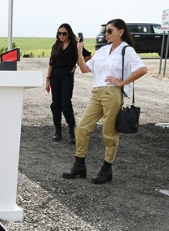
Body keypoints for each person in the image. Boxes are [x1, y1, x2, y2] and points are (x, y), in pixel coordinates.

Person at [62, 18, 147, 184]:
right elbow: (85, 69)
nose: (106, 34)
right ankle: (79, 165)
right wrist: (79, 53)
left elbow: (142, 69)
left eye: (110, 31)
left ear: (121, 31)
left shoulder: (126, 50)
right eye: (105, 31)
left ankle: (107, 169)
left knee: (109, 133)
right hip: (97, 92)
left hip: (112, 93)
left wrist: (122, 82)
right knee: (82, 128)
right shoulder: (102, 50)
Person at [45, 23, 91, 144]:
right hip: (55, 77)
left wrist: (76, 65)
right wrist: (47, 79)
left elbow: (88, 56)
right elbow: (51, 63)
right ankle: (58, 131)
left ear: (69, 33)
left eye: (64, 33)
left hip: (67, 77)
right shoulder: (56, 45)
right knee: (55, 104)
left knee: (66, 104)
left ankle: (72, 131)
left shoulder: (75, 45)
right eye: (59, 33)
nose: (61, 35)